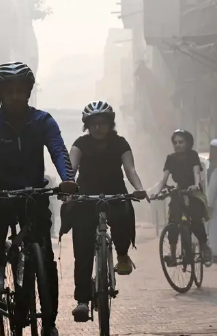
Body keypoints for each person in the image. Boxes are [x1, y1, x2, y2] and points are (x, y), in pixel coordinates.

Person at [0, 61, 78, 336]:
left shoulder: (42, 121)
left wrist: (67, 178)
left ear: (29, 91)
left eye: (21, 90)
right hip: (3, 193)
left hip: (35, 192)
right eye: (10, 91)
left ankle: (50, 322)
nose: (16, 96)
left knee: (44, 255)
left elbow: (58, 149)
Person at [64, 101, 147, 322]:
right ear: (87, 125)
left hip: (115, 192)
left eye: (103, 123)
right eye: (94, 123)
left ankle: (122, 254)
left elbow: (130, 169)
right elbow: (70, 170)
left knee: (123, 215)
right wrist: (68, 189)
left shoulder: (120, 143)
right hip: (86, 196)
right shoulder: (79, 144)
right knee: (82, 250)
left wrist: (138, 188)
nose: (98, 127)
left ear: (111, 124)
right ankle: (82, 301)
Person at [152, 129, 212, 265]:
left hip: (192, 191)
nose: (177, 145)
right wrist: (158, 192)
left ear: (188, 143)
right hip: (178, 192)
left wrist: (196, 185)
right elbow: (164, 178)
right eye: (175, 142)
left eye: (181, 142)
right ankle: (172, 254)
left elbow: (196, 172)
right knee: (173, 222)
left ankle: (204, 246)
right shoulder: (170, 158)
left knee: (196, 219)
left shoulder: (193, 155)